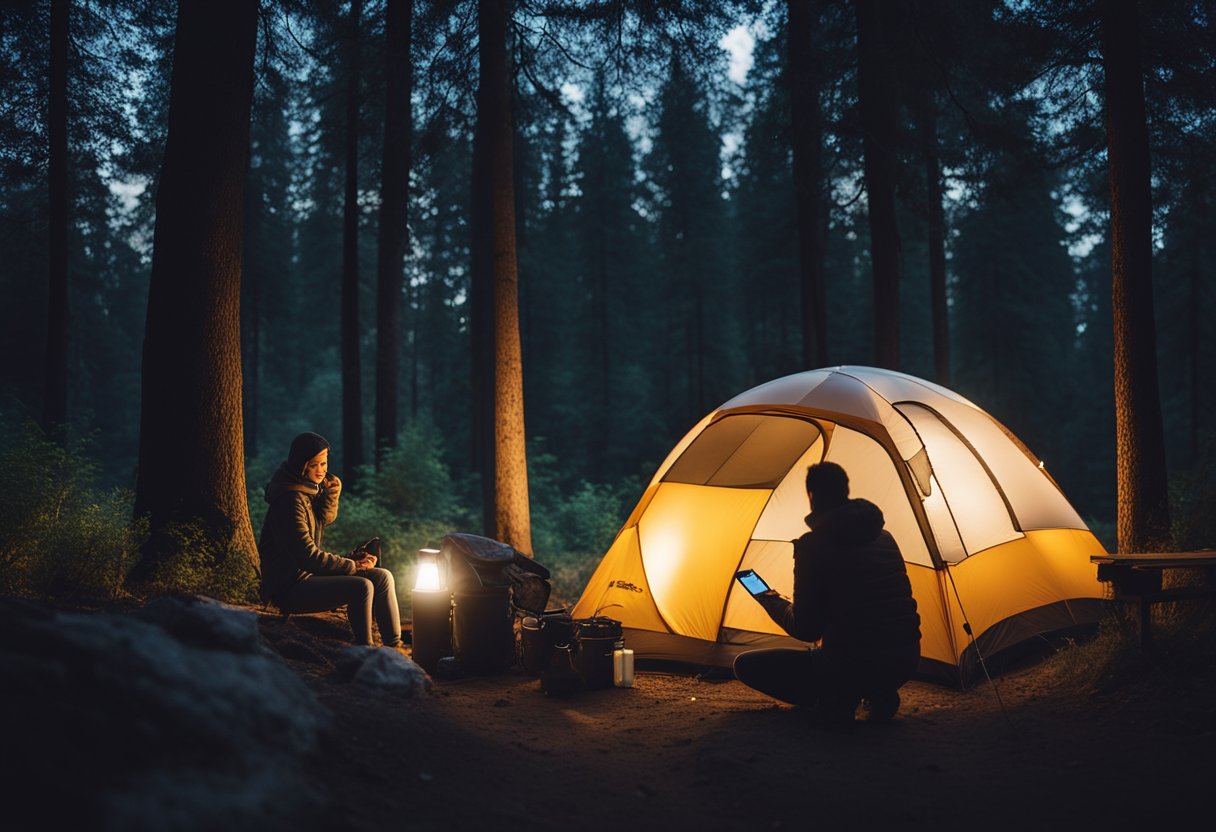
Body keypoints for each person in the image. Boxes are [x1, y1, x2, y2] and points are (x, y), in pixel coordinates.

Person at [734, 461, 921, 729]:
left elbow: (806, 628)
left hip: (849, 666)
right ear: (846, 491)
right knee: (852, 652)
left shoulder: (813, 546)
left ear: (811, 496)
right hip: (904, 660)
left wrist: (768, 599)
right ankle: (880, 692)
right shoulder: (885, 536)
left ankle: (837, 698)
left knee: (746, 666)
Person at [258, 431, 406, 653]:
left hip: (308, 577)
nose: (321, 470)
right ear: (301, 466)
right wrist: (351, 566)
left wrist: (331, 497)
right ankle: (366, 653)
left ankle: (395, 649)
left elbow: (322, 522)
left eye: (324, 463)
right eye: (314, 465)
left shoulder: (306, 493)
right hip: (288, 587)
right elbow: (307, 556)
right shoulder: (289, 501)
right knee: (361, 586)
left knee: (382, 577)